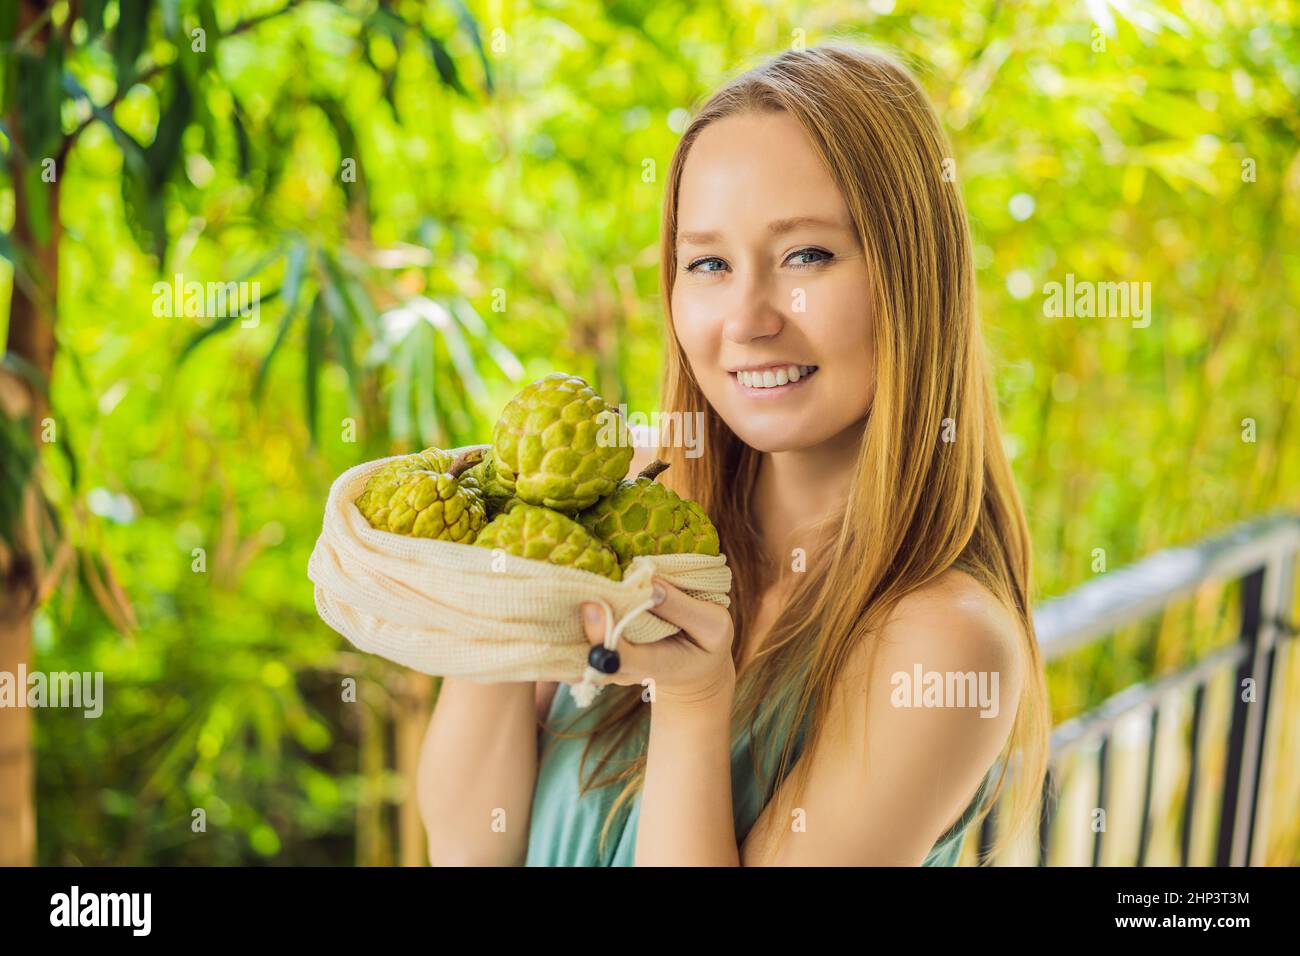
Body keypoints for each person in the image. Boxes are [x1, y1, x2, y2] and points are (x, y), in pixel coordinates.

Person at [418, 41, 1050, 867]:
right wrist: (515, 550)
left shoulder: (943, 646)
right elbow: (470, 850)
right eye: (709, 263)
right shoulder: (637, 512)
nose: (748, 318)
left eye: (806, 256)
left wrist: (691, 700)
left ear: (912, 274)